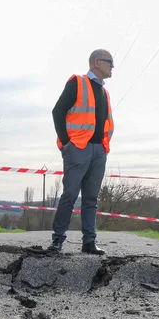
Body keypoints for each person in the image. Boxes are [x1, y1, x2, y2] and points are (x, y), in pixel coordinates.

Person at [49, 49, 115, 255]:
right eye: (109, 62)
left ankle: (89, 241)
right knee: (69, 194)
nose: (112, 66)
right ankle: (57, 240)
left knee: (91, 198)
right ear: (97, 62)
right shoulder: (77, 82)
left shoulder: (104, 92)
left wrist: (103, 148)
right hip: (78, 148)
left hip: (98, 151)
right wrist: (66, 143)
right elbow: (57, 111)